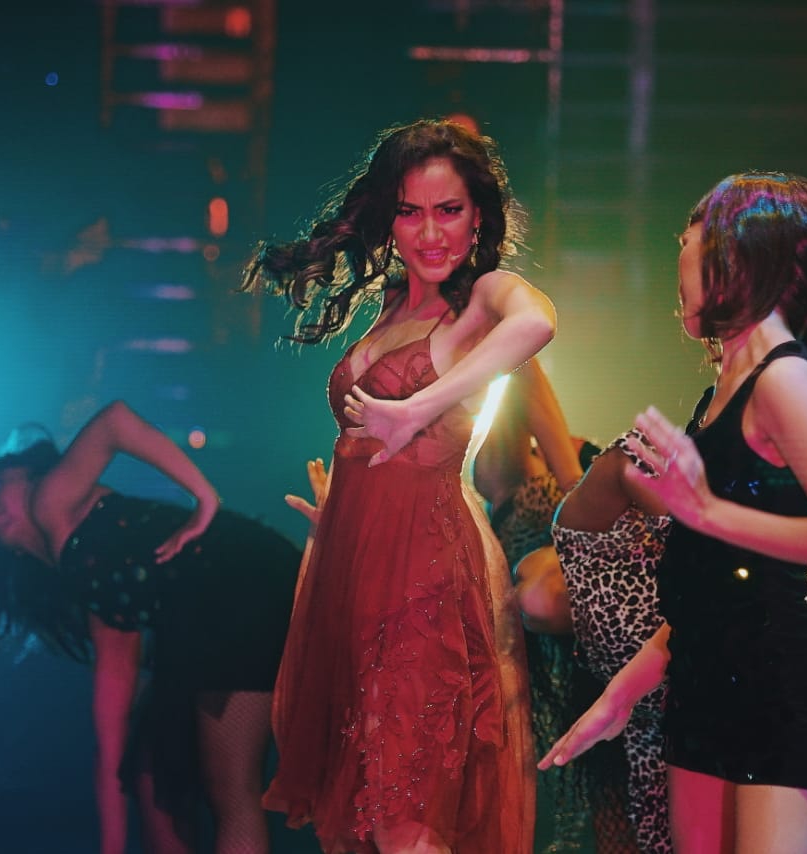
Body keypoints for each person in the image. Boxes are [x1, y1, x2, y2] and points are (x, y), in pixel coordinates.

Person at [542, 171, 807, 853]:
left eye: (689, 240)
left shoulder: (784, 377)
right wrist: (622, 694)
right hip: (702, 688)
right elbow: (712, 588)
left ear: (740, 257)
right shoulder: (720, 388)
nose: (678, 258)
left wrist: (703, 509)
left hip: (785, 691)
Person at [240, 118, 554, 853]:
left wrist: (418, 407)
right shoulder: (390, 306)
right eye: (410, 212)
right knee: (364, 816)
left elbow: (538, 323)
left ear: (479, 216)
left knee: (403, 811)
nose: (430, 233)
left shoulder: (484, 296)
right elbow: (368, 446)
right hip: (356, 570)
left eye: (449, 210)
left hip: (422, 583)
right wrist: (340, 513)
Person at [542, 428, 807, 852]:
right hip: (697, 681)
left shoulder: (612, 495)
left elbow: (722, 581)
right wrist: (619, 696)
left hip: (789, 661)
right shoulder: (595, 580)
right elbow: (704, 602)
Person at [0, 399, 300, 854]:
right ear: (11, 553)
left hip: (238, 585)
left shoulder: (50, 502)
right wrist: (111, 844)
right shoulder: (100, 596)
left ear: (34, 474)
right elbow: (110, 744)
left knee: (229, 791)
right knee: (166, 769)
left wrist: (204, 498)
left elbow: (115, 422)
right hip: (234, 598)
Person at [472, 360, 640, 854]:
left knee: (618, 790)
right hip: (544, 657)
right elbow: (522, 367)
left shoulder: (581, 475)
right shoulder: (504, 466)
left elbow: (524, 365)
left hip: (602, 643)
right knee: (581, 788)